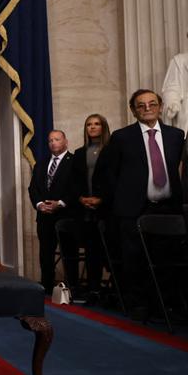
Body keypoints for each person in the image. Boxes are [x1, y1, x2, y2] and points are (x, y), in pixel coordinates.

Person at [95, 89, 185, 320]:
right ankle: (138, 305)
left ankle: (164, 306)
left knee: (165, 258)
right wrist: (118, 200)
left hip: (168, 208)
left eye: (152, 103)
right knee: (134, 260)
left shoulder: (176, 135)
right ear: (133, 110)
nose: (147, 108)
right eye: (141, 105)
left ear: (160, 106)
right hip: (132, 210)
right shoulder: (122, 137)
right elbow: (106, 173)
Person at [28, 130, 78, 294]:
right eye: (50, 140)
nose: (53, 143)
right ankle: (47, 287)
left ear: (65, 142)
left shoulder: (75, 161)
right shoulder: (40, 164)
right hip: (44, 217)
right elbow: (33, 188)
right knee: (45, 254)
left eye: (57, 139)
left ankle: (72, 288)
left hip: (65, 216)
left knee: (69, 253)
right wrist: (40, 204)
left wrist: (61, 203)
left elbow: (77, 188)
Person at [69, 114, 111, 299]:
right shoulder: (79, 153)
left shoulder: (111, 150)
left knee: (107, 249)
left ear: (103, 127)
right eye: (89, 125)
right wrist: (81, 198)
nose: (92, 127)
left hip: (106, 208)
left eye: (96, 124)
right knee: (91, 249)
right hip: (84, 209)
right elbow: (74, 181)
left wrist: (101, 199)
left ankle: (111, 289)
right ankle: (93, 288)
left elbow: (115, 179)